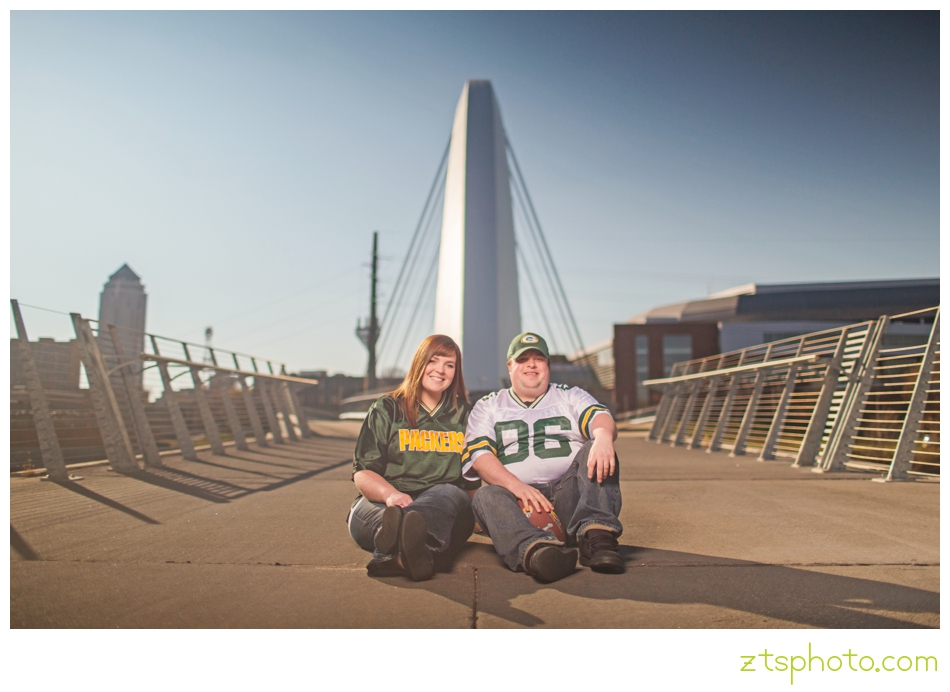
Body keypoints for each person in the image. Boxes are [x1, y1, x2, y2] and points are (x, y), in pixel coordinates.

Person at [462, 332, 623, 583]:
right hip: (520, 505)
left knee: (598, 447)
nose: (532, 364)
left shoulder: (569, 394)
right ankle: (537, 553)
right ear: (510, 366)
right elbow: (480, 457)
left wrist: (603, 438)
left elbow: (599, 416)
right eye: (523, 359)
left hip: (571, 499)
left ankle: (597, 535)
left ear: (548, 365)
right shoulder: (488, 405)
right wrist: (518, 487)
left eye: (539, 358)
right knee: (486, 496)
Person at [347, 334, 475, 581]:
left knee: (448, 492)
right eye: (433, 361)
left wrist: (483, 517)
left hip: (442, 505)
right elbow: (363, 472)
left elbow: (471, 479)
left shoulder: (464, 414)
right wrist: (390, 495)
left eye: (449, 365)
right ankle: (408, 552)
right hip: (386, 501)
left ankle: (393, 552)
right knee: (385, 518)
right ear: (419, 363)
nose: (440, 370)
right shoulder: (387, 408)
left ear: (456, 373)